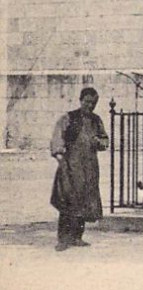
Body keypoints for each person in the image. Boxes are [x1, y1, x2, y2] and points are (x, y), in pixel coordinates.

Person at [50, 87, 109, 251]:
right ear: (81, 100)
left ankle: (77, 237)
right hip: (71, 166)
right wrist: (61, 159)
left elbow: (105, 140)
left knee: (84, 201)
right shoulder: (69, 118)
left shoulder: (97, 120)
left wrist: (100, 141)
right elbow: (57, 138)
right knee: (67, 201)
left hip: (89, 167)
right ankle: (63, 239)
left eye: (93, 103)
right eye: (87, 102)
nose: (90, 105)